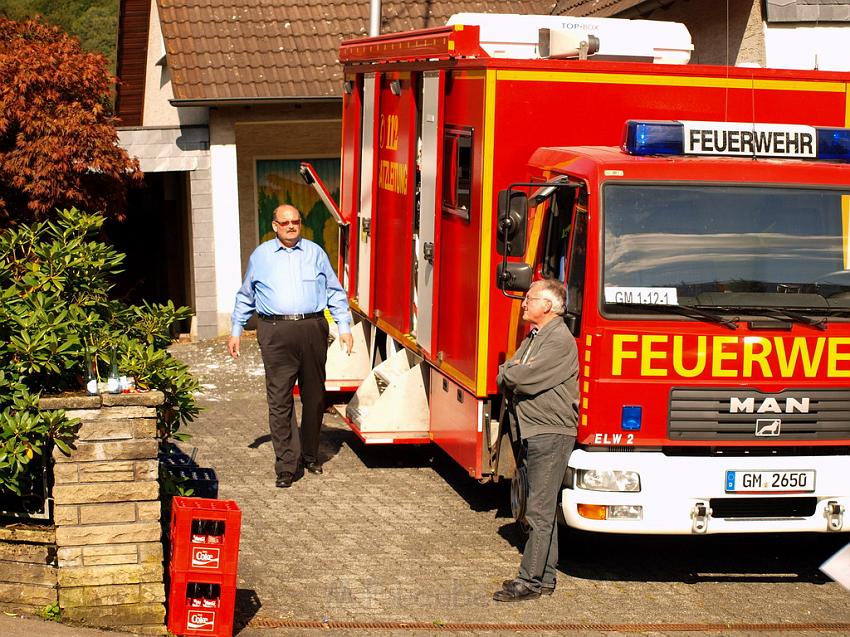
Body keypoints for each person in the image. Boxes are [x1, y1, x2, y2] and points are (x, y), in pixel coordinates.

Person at [228, 204, 353, 488]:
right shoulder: (261, 256)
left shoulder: (315, 253)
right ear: (274, 226)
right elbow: (246, 295)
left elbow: (334, 291)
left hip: (312, 328)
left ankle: (309, 455)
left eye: (295, 221)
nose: (291, 226)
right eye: (285, 223)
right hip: (275, 331)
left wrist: (344, 327)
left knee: (315, 397)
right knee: (279, 399)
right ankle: (286, 465)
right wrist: (236, 331)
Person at [493, 278, 579, 601]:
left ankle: (528, 580)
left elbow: (521, 377)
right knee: (543, 507)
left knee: (539, 511)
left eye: (530, 298)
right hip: (535, 430)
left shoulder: (558, 341)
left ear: (548, 306)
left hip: (551, 433)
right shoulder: (536, 336)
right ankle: (545, 579)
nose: (524, 302)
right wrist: (510, 372)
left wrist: (510, 373)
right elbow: (509, 370)